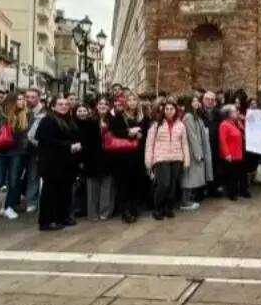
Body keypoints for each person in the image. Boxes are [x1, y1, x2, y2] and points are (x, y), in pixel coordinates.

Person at [0, 92, 31, 225]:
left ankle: (10, 206)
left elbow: (28, 134)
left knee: (14, 181)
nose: (23, 101)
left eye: (23, 99)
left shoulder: (26, 114)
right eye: (19, 99)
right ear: (11, 101)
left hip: (17, 153)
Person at [35, 97, 82, 231]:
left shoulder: (68, 120)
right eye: (60, 104)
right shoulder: (48, 120)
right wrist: (69, 145)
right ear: (53, 106)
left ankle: (62, 217)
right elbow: (48, 141)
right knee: (51, 192)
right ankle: (47, 220)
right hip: (52, 163)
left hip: (66, 163)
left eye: (66, 104)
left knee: (64, 191)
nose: (64, 106)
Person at [145, 101, 190, 220]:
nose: (169, 111)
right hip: (161, 158)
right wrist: (148, 161)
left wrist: (186, 160)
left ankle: (168, 208)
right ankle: (158, 208)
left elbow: (184, 144)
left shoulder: (181, 125)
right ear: (163, 111)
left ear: (176, 110)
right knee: (163, 184)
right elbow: (149, 144)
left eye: (171, 109)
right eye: (167, 109)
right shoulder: (156, 125)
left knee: (172, 185)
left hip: (176, 158)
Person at [109, 94, 145, 223]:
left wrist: (140, 133)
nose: (132, 102)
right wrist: (129, 133)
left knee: (136, 182)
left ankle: (134, 208)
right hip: (124, 155)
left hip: (138, 154)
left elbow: (145, 131)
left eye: (134, 99)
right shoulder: (120, 116)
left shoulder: (142, 116)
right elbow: (115, 131)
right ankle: (125, 211)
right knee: (124, 183)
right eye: (129, 100)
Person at [80, 96, 115, 221]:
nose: (103, 106)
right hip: (92, 157)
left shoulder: (114, 120)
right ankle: (92, 212)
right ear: (96, 106)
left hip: (108, 157)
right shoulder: (89, 121)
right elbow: (84, 140)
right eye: (100, 104)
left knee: (107, 185)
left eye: (106, 104)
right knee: (92, 186)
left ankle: (105, 211)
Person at [179, 95, 210, 210]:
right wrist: (198, 153)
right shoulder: (188, 116)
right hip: (191, 151)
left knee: (192, 177)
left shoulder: (196, 115)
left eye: (197, 100)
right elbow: (192, 136)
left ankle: (189, 199)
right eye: (193, 101)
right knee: (188, 177)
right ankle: (185, 200)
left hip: (196, 149)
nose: (196, 103)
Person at [23, 88, 47, 213]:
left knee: (34, 175)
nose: (29, 99)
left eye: (33, 97)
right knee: (19, 176)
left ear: (38, 98)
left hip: (36, 148)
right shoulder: (22, 110)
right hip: (21, 148)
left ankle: (32, 201)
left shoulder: (44, 112)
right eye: (28, 97)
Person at [219, 104, 248, 201]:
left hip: (238, 153)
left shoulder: (235, 123)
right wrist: (227, 154)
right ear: (228, 114)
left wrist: (241, 120)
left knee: (239, 174)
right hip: (231, 155)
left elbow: (243, 133)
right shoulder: (224, 124)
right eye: (234, 111)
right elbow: (222, 140)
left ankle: (240, 191)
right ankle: (232, 193)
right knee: (232, 176)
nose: (237, 113)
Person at [199, 91, 223, 197]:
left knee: (215, 167)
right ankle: (202, 189)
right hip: (203, 144)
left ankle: (213, 189)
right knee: (203, 167)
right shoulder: (199, 113)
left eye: (212, 100)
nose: (209, 102)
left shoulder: (219, 114)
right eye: (207, 99)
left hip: (215, 144)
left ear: (215, 102)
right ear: (203, 100)